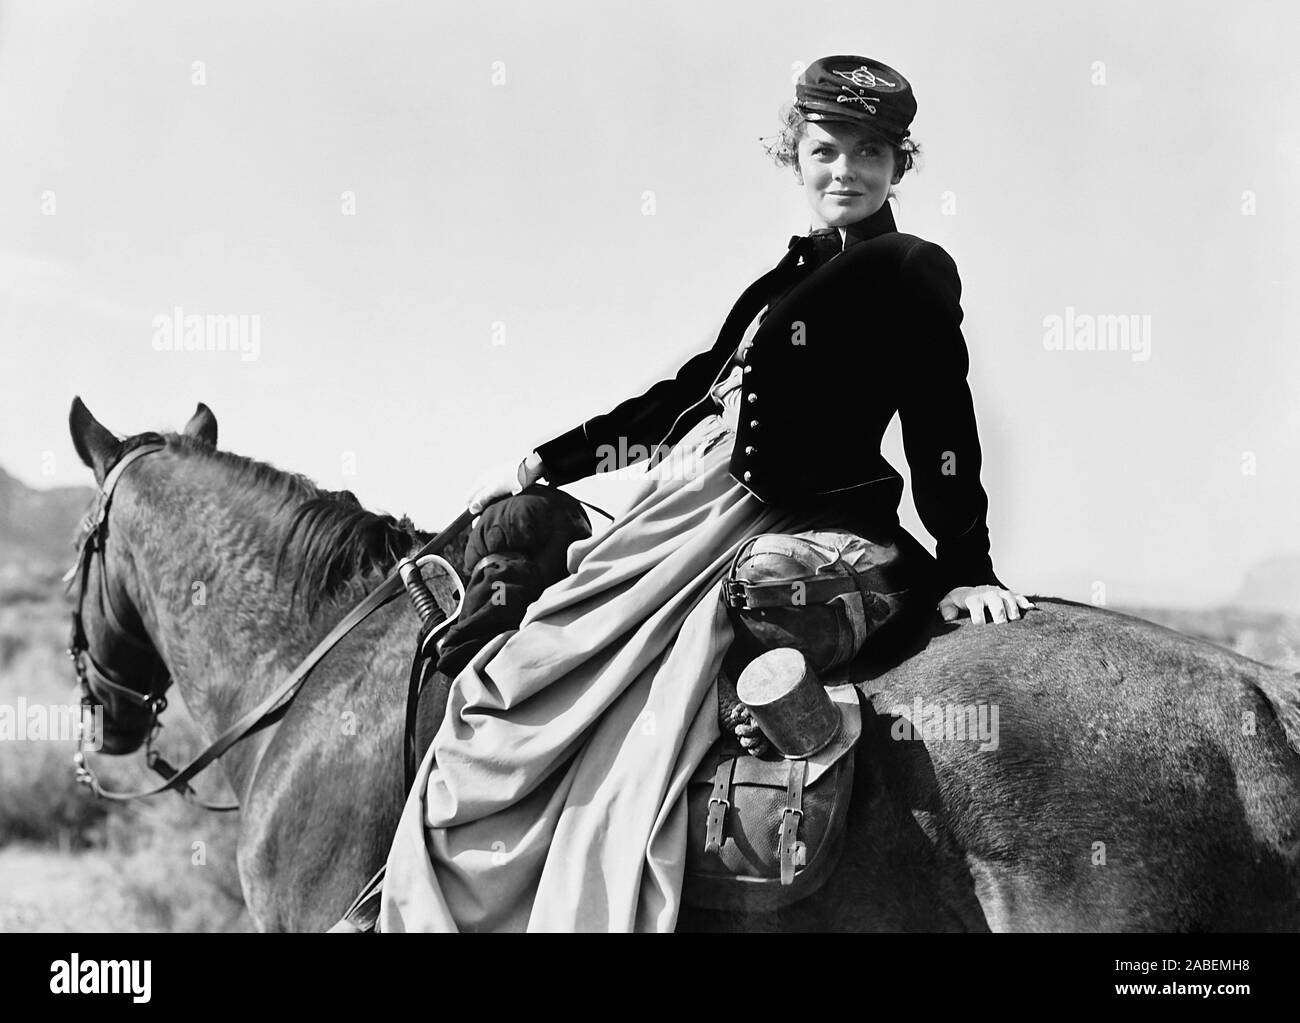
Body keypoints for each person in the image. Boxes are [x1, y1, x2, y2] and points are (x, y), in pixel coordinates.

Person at [378, 54, 1032, 933]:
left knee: (585, 679)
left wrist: (969, 564)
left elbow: (942, 423)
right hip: (680, 497)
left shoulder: (912, 267)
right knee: (525, 659)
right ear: (792, 153)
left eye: (872, 154)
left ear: (898, 166)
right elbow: (687, 392)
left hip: (774, 511)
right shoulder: (788, 272)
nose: (848, 171)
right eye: (828, 150)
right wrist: (545, 459)